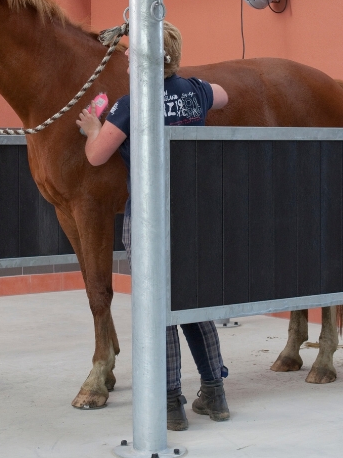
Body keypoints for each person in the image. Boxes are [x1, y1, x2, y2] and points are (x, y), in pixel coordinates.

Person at [75, 22, 230, 431]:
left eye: (133, 51)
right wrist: (186, 91)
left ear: (148, 59)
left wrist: (93, 128)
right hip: (193, 217)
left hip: (149, 220)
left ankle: (170, 402)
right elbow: (224, 95)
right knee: (193, 304)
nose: (126, 55)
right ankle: (215, 393)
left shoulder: (130, 105)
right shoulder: (196, 91)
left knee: (156, 309)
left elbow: (95, 156)